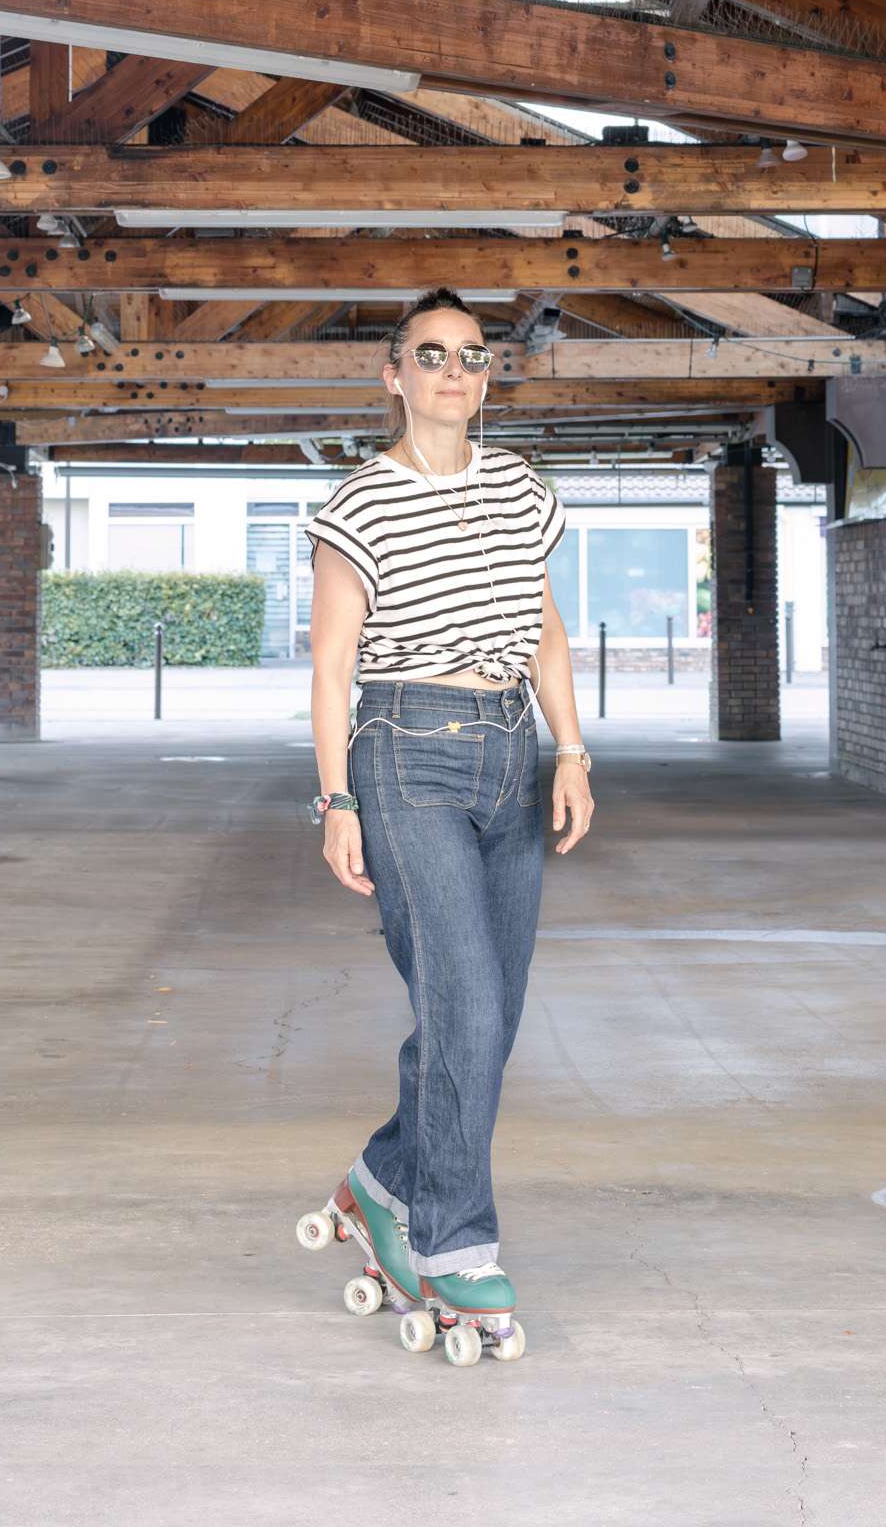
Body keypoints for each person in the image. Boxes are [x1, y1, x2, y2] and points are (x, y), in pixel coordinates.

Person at [303, 286, 594, 1358]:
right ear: (393, 375)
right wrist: (335, 799)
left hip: (511, 749)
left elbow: (548, 632)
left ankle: (385, 1177)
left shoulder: (521, 487)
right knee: (463, 999)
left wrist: (572, 749)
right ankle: (453, 1240)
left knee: (489, 1010)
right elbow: (332, 663)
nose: (453, 371)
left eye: (471, 355)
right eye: (430, 354)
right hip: (404, 748)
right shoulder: (360, 501)